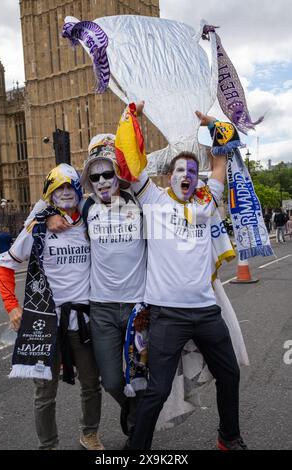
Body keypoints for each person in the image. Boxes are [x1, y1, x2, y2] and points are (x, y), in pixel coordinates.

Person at [123, 105, 247, 450]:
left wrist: (214, 127)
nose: (187, 175)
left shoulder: (207, 202)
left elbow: (221, 161)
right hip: (167, 315)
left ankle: (229, 437)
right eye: (180, 170)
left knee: (230, 374)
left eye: (192, 170)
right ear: (169, 177)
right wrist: (133, 116)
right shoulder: (153, 200)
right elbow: (130, 165)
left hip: (207, 313)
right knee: (158, 389)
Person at [45, 136, 147, 438]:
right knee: (112, 381)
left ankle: (141, 428)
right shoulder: (88, 207)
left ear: (119, 175)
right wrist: (47, 214)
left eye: (108, 174)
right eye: (95, 176)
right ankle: (131, 410)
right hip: (100, 310)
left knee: (140, 376)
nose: (102, 181)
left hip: (136, 308)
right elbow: (53, 196)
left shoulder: (140, 205)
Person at [0, 164, 103, 450]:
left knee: (91, 384)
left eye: (70, 187)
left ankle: (89, 433)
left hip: (83, 322)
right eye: (58, 189)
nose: (65, 192)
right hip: (44, 323)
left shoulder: (91, 224)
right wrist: (12, 306)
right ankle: (48, 445)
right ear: (49, 196)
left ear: (78, 191)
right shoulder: (38, 228)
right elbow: (6, 264)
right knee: (45, 392)